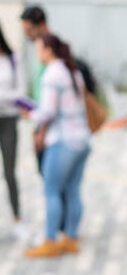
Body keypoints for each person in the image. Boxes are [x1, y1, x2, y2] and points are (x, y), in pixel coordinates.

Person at [22, 34, 90, 257]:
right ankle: (70, 237)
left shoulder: (52, 74)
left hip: (63, 141)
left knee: (51, 190)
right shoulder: (72, 71)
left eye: (39, 48)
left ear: (48, 50)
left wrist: (30, 113)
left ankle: (50, 240)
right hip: (81, 139)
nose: (37, 53)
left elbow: (48, 112)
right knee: (72, 190)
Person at [0, 24, 29, 242]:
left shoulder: (12, 60)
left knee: (10, 172)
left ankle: (18, 219)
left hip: (9, 121)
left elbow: (20, 93)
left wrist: (4, 97)